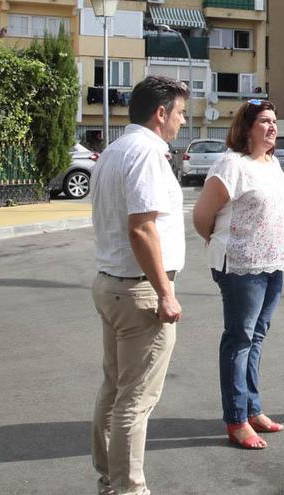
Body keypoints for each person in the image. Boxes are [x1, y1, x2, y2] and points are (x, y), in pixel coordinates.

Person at [89, 75, 189, 495]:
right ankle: (129, 487)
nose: (182, 122)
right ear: (160, 113)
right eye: (181, 113)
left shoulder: (113, 151)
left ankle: (109, 479)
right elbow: (141, 228)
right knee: (136, 399)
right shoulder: (147, 154)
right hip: (140, 291)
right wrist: (165, 292)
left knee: (114, 388)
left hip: (111, 283)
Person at [192, 99, 284, 449]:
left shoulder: (273, 162)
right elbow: (201, 216)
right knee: (239, 340)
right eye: (265, 121)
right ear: (247, 127)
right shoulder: (232, 164)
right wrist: (220, 244)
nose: (272, 127)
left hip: (273, 264)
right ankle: (236, 419)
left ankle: (252, 409)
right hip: (239, 267)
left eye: (274, 121)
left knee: (256, 338)